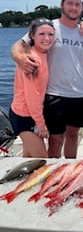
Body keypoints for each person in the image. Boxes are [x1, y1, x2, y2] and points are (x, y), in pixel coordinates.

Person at [11, 0, 83, 158]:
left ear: (82, 8)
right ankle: (52, 176)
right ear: (62, 5)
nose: (73, 7)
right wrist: (19, 58)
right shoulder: (48, 28)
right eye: (69, 3)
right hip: (55, 95)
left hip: (80, 95)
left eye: (77, 4)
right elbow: (19, 45)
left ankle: (69, 173)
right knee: (55, 140)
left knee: (73, 136)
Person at [9, 19, 55, 157]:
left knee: (28, 158)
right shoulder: (32, 60)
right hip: (24, 115)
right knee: (42, 161)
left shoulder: (42, 54)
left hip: (30, 114)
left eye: (51, 34)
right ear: (32, 36)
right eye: (41, 34)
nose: (47, 38)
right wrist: (41, 125)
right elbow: (32, 96)